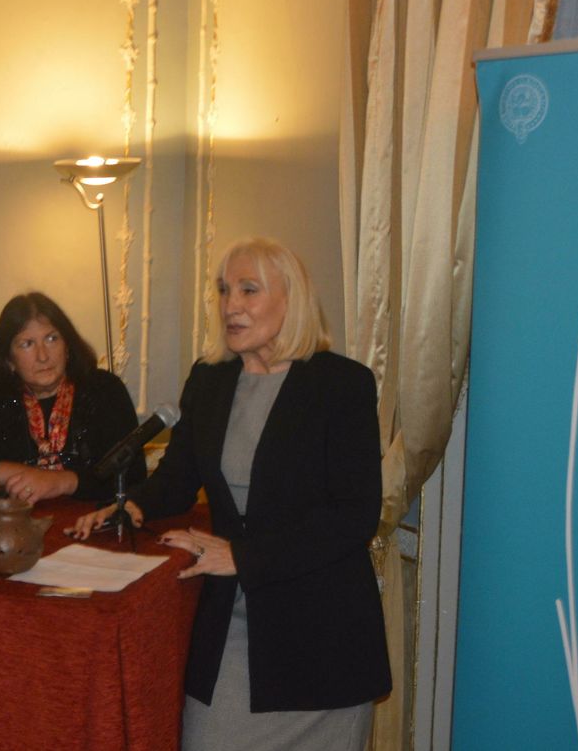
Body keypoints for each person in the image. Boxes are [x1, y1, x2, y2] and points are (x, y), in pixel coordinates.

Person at [71, 238, 390, 751]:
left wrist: (242, 556)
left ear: (291, 299)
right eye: (223, 290)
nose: (230, 305)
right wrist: (132, 505)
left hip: (320, 635)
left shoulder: (342, 385)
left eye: (248, 290)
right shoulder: (209, 379)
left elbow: (354, 516)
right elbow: (178, 477)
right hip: (231, 627)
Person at [0, 292, 144, 503]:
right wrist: (11, 471)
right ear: (9, 359)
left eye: (52, 339)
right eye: (27, 344)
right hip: (11, 518)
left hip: (86, 517)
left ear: (67, 346)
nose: (43, 356)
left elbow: (133, 477)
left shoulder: (104, 389)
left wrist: (62, 481)